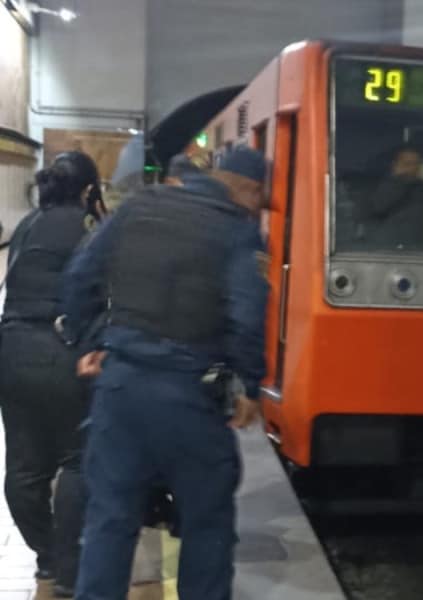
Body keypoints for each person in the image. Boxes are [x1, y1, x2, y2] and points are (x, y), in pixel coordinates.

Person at [60, 145, 269, 600]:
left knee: (110, 519)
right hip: (189, 397)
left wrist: (90, 341)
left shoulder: (137, 208)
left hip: (120, 389)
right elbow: (247, 316)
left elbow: (79, 277)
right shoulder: (237, 232)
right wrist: (251, 385)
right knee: (206, 523)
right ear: (250, 191)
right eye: (261, 198)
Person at [0, 151, 103, 596]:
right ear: (87, 190)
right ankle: (68, 567)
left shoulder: (27, 225)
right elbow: (102, 290)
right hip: (59, 349)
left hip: (10, 349)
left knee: (24, 471)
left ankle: (47, 558)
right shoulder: (86, 226)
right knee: (77, 460)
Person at [367, 144, 423, 248]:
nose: (412, 168)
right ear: (394, 165)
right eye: (407, 164)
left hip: (416, 251)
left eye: (416, 164)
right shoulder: (376, 186)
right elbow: (373, 211)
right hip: (379, 251)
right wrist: (398, 182)